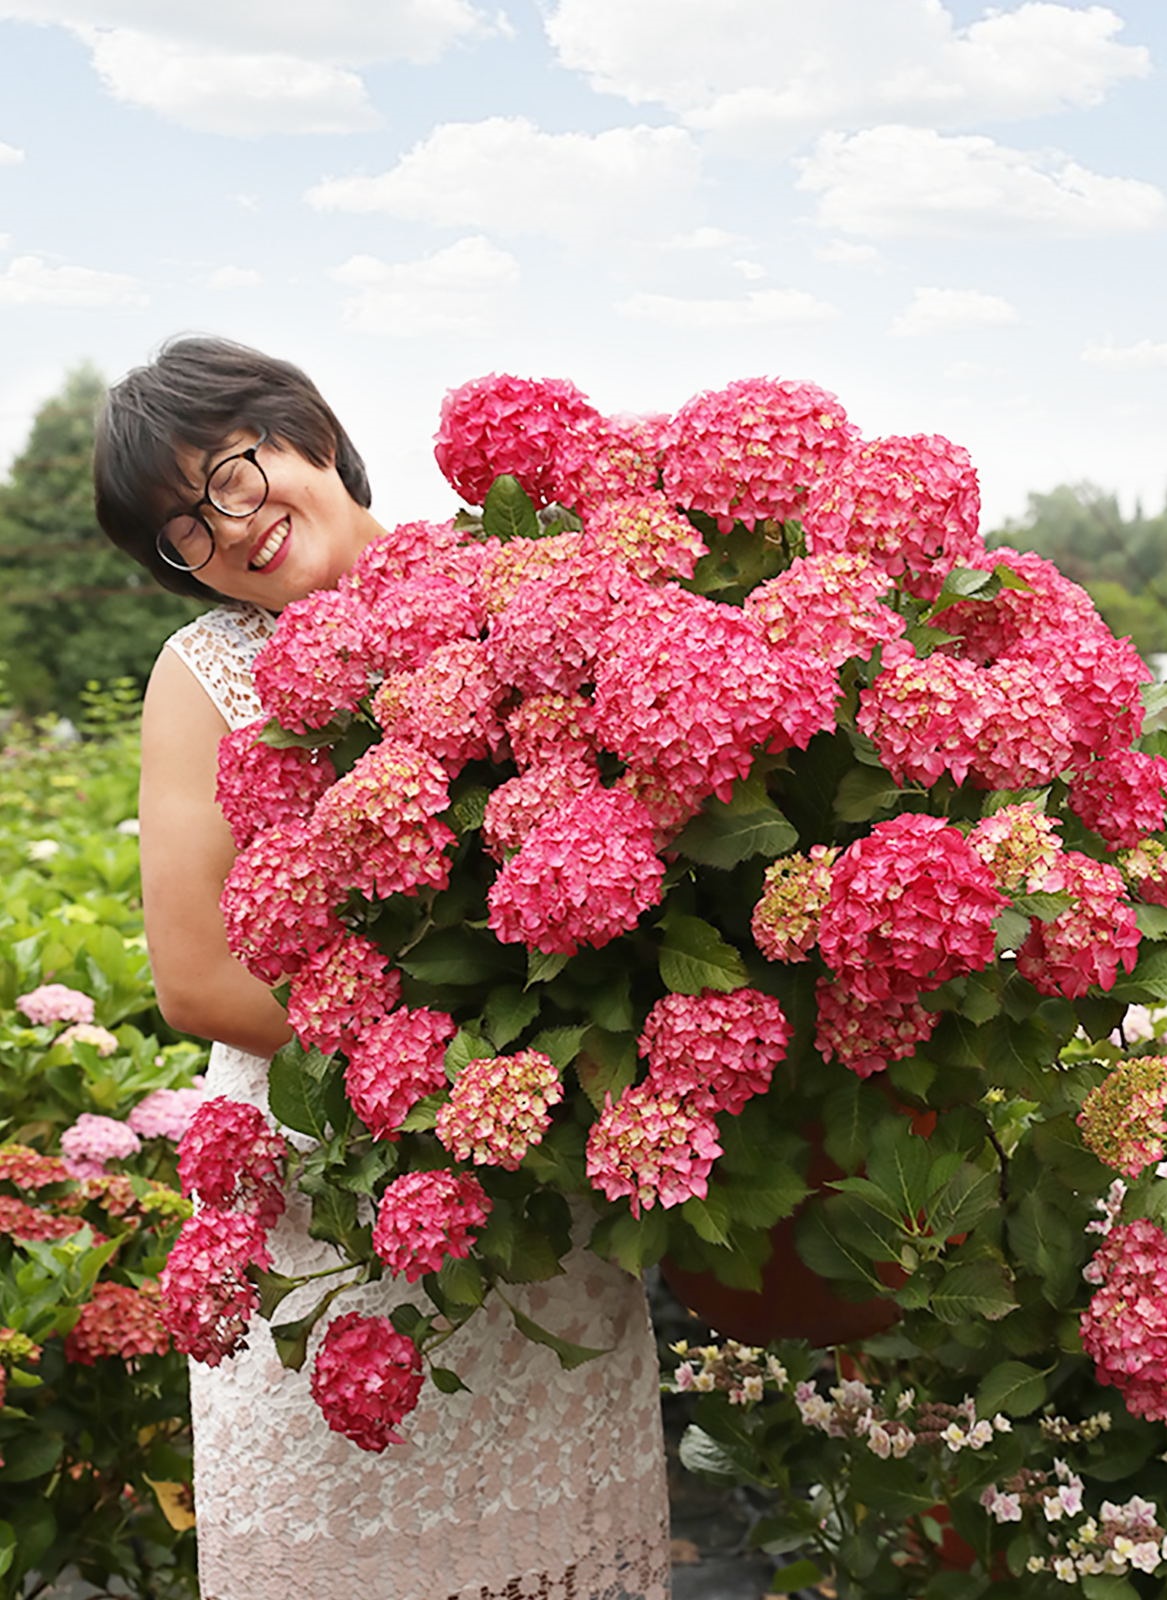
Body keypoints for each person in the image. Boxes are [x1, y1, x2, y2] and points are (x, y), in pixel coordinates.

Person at [94, 336, 671, 1600]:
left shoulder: (507, 575)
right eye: (183, 529)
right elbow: (196, 978)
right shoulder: (206, 673)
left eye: (231, 475)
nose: (226, 529)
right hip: (335, 1203)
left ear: (304, 431)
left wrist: (566, 1056)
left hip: (537, 1208)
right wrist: (464, 1057)